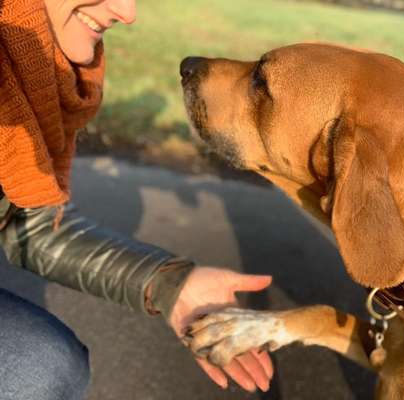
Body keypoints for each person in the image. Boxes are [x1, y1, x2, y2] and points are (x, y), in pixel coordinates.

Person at [0, 0, 274, 398]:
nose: (127, 12)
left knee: (46, 365)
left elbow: (33, 227)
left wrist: (171, 284)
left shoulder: (37, 77)